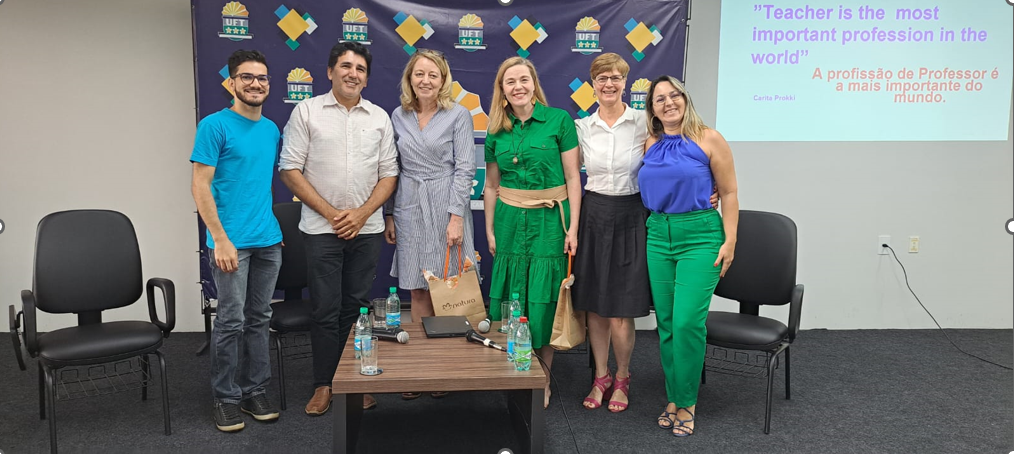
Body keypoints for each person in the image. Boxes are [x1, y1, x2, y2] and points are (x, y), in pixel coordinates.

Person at [278, 41, 398, 416]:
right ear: (330, 71)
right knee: (325, 310)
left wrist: (361, 214)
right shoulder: (307, 112)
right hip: (320, 229)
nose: (353, 74)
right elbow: (289, 169)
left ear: (366, 77)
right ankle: (325, 384)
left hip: (367, 229)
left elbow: (389, 174)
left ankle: (355, 381)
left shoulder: (379, 117)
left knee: (356, 308)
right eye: (346, 66)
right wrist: (332, 213)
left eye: (360, 68)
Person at [641, 75, 739, 437]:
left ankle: (688, 403)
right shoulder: (649, 143)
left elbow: (728, 193)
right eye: (659, 99)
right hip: (658, 234)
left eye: (674, 95)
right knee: (665, 324)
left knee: (686, 323)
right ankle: (673, 396)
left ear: (685, 98)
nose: (668, 103)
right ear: (651, 108)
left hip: (699, 236)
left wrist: (729, 241)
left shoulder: (709, 138)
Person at [190, 49, 283, 432]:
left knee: (259, 318)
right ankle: (225, 397)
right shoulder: (214, 126)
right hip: (230, 244)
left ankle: (254, 390)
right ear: (231, 82)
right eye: (246, 77)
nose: (255, 84)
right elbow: (200, 185)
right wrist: (219, 239)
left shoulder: (272, 129)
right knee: (230, 320)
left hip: (269, 241)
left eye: (261, 78)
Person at [483, 57, 582, 408]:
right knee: (513, 297)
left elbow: (573, 179)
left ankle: (541, 379)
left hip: (550, 222)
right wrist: (490, 230)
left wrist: (573, 227)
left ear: (534, 83)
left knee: (543, 300)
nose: (517, 87)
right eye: (510, 82)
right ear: (502, 89)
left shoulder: (559, 121)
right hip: (510, 222)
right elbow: (491, 186)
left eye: (523, 79)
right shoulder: (495, 130)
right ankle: (513, 371)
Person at [383, 49, 475, 401]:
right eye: (419, 74)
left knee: (447, 287)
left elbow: (466, 168)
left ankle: (445, 365)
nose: (426, 80)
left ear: (443, 80)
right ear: (409, 79)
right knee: (418, 288)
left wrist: (455, 217)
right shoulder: (398, 115)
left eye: (433, 75)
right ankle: (419, 363)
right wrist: (390, 213)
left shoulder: (459, 115)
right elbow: (392, 168)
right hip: (409, 203)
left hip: (445, 203)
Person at [571, 53, 649, 413]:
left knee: (620, 310)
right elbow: (570, 178)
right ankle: (599, 376)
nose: (609, 84)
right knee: (595, 309)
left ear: (626, 83)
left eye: (616, 77)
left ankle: (622, 376)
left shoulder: (644, 122)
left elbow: (670, 162)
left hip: (632, 214)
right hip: (594, 214)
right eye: (602, 78)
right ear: (592, 84)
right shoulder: (581, 127)